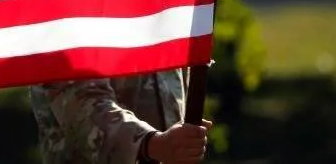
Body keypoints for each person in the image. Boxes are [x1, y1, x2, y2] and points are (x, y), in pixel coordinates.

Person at [30, 68, 213, 163]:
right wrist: (154, 143)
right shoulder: (71, 11)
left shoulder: (163, 12)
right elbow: (83, 107)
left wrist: (183, 142)